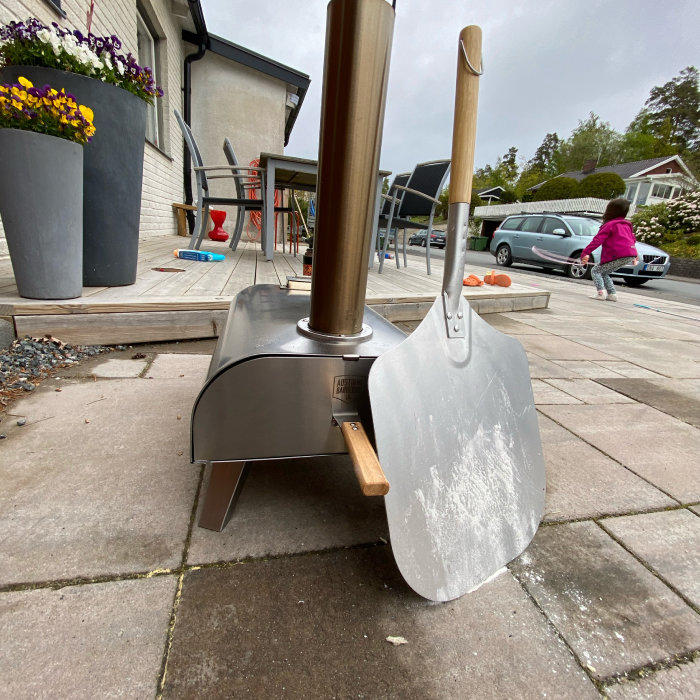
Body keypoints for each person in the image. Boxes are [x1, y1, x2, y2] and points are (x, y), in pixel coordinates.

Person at [580, 198, 638, 302]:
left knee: (596, 270)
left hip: (617, 254)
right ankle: (612, 294)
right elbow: (632, 240)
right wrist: (635, 255)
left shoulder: (609, 225)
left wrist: (585, 252)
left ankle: (600, 293)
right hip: (629, 254)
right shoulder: (627, 225)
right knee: (604, 272)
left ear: (610, 210)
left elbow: (597, 240)